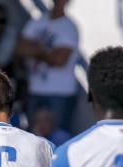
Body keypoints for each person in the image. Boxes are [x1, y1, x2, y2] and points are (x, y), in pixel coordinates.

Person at [17, 0, 79, 134]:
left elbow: (60, 59)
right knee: (33, 137)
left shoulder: (69, 27)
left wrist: (36, 50)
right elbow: (21, 48)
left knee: (59, 137)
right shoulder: (38, 22)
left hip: (61, 93)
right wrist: (48, 52)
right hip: (35, 90)